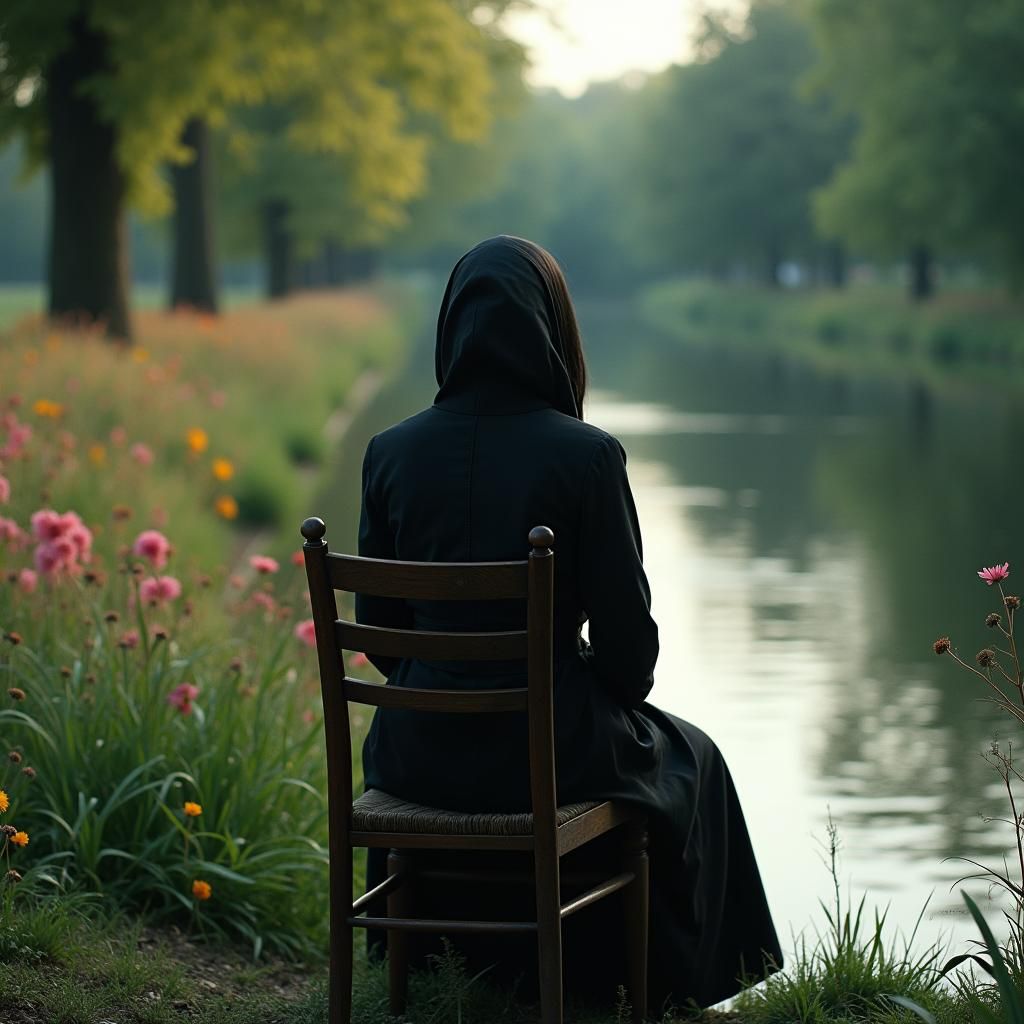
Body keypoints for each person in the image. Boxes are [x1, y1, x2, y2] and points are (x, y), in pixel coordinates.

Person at [355, 235, 782, 1013]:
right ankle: (663, 990)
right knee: (697, 759)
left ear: (451, 324)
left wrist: (448, 688)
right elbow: (629, 661)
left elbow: (381, 637)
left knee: (655, 751)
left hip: (414, 753)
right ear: (555, 327)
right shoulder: (586, 457)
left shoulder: (389, 454)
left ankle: (458, 971)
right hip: (549, 749)